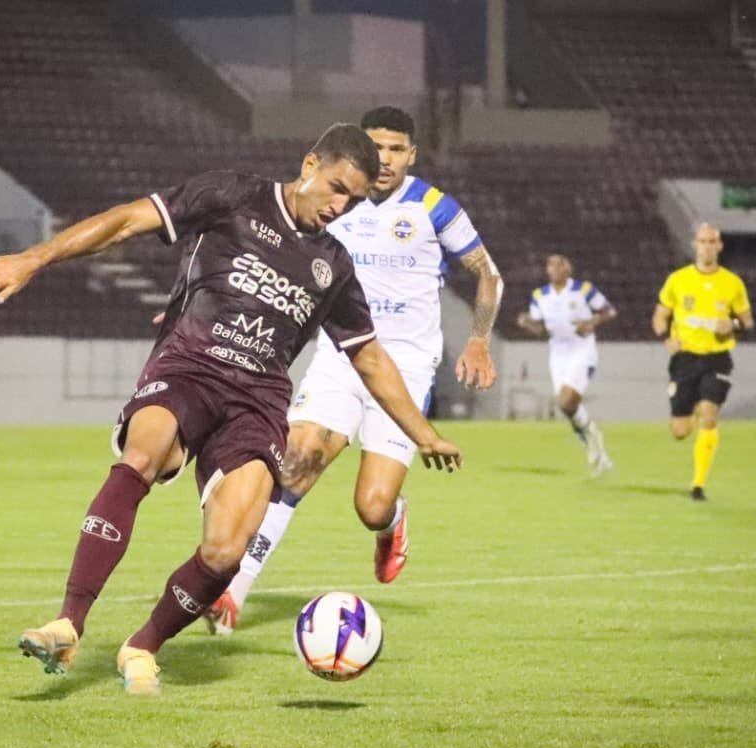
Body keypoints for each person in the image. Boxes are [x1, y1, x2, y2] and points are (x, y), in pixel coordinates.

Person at [0, 124, 462, 695]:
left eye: (354, 199)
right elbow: (126, 221)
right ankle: (68, 622)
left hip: (258, 401)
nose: (340, 206)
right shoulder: (232, 196)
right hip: (188, 368)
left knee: (227, 549)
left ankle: (143, 646)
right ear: (310, 165)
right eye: (337, 188)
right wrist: (35, 258)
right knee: (143, 454)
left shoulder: (333, 264)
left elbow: (369, 357)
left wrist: (424, 435)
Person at [204, 106, 503, 636]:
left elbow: (488, 274)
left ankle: (392, 522)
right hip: (340, 357)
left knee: (371, 506)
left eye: (395, 149)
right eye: (375, 147)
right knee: (296, 462)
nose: (384, 159)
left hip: (405, 368)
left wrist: (478, 339)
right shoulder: (337, 203)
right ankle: (234, 591)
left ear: (412, 154)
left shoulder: (435, 207)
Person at [652, 223, 754, 501]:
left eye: (712, 241)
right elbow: (660, 316)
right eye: (703, 241)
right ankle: (696, 407)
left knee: (709, 415)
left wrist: (733, 325)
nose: (707, 246)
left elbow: (747, 322)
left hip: (717, 359)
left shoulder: (732, 283)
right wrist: (666, 337)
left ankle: (698, 486)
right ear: (694, 245)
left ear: (719, 246)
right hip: (685, 360)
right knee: (680, 431)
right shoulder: (678, 280)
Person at [516, 254, 617, 475]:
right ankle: (592, 438)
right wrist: (527, 322)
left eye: (558, 264)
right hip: (558, 354)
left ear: (567, 268)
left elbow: (609, 311)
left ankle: (592, 438)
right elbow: (539, 328)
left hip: (582, 350)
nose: (553, 269)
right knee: (566, 407)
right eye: (550, 265)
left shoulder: (583, 289)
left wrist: (592, 321)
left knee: (567, 400)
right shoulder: (540, 296)